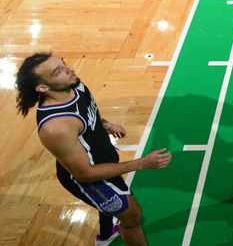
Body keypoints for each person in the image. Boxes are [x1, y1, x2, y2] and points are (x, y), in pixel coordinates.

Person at [15, 53, 172, 246]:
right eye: (58, 71)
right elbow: (85, 174)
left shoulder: (74, 85)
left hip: (102, 160)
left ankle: (105, 237)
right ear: (42, 87)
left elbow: (88, 112)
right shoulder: (56, 127)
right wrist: (141, 163)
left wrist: (106, 125)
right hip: (91, 180)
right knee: (132, 217)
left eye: (63, 63)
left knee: (112, 207)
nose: (69, 69)